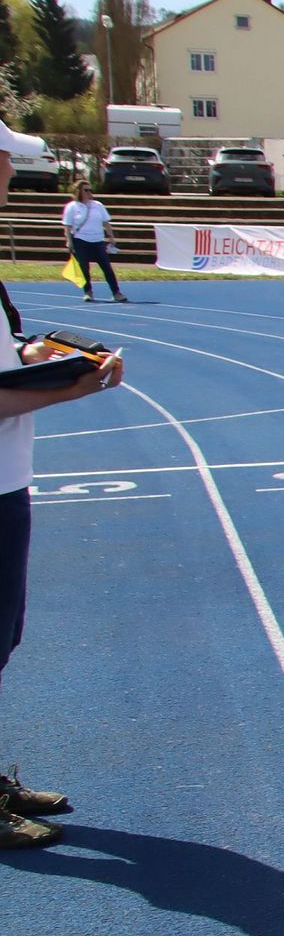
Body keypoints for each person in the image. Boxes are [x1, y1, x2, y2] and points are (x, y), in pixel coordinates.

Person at [0, 120, 128, 845]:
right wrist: (77, 385)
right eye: (5, 161)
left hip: (5, 481)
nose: (11, 174)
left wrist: (28, 354)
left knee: (2, 639)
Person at [61, 182, 125, 303]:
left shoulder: (98, 205)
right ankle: (88, 292)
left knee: (106, 267)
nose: (89, 192)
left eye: (90, 190)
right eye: (86, 190)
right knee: (84, 268)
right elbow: (67, 227)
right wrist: (69, 242)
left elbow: (106, 223)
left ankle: (116, 292)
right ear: (78, 191)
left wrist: (111, 237)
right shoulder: (71, 207)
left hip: (98, 240)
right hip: (80, 240)